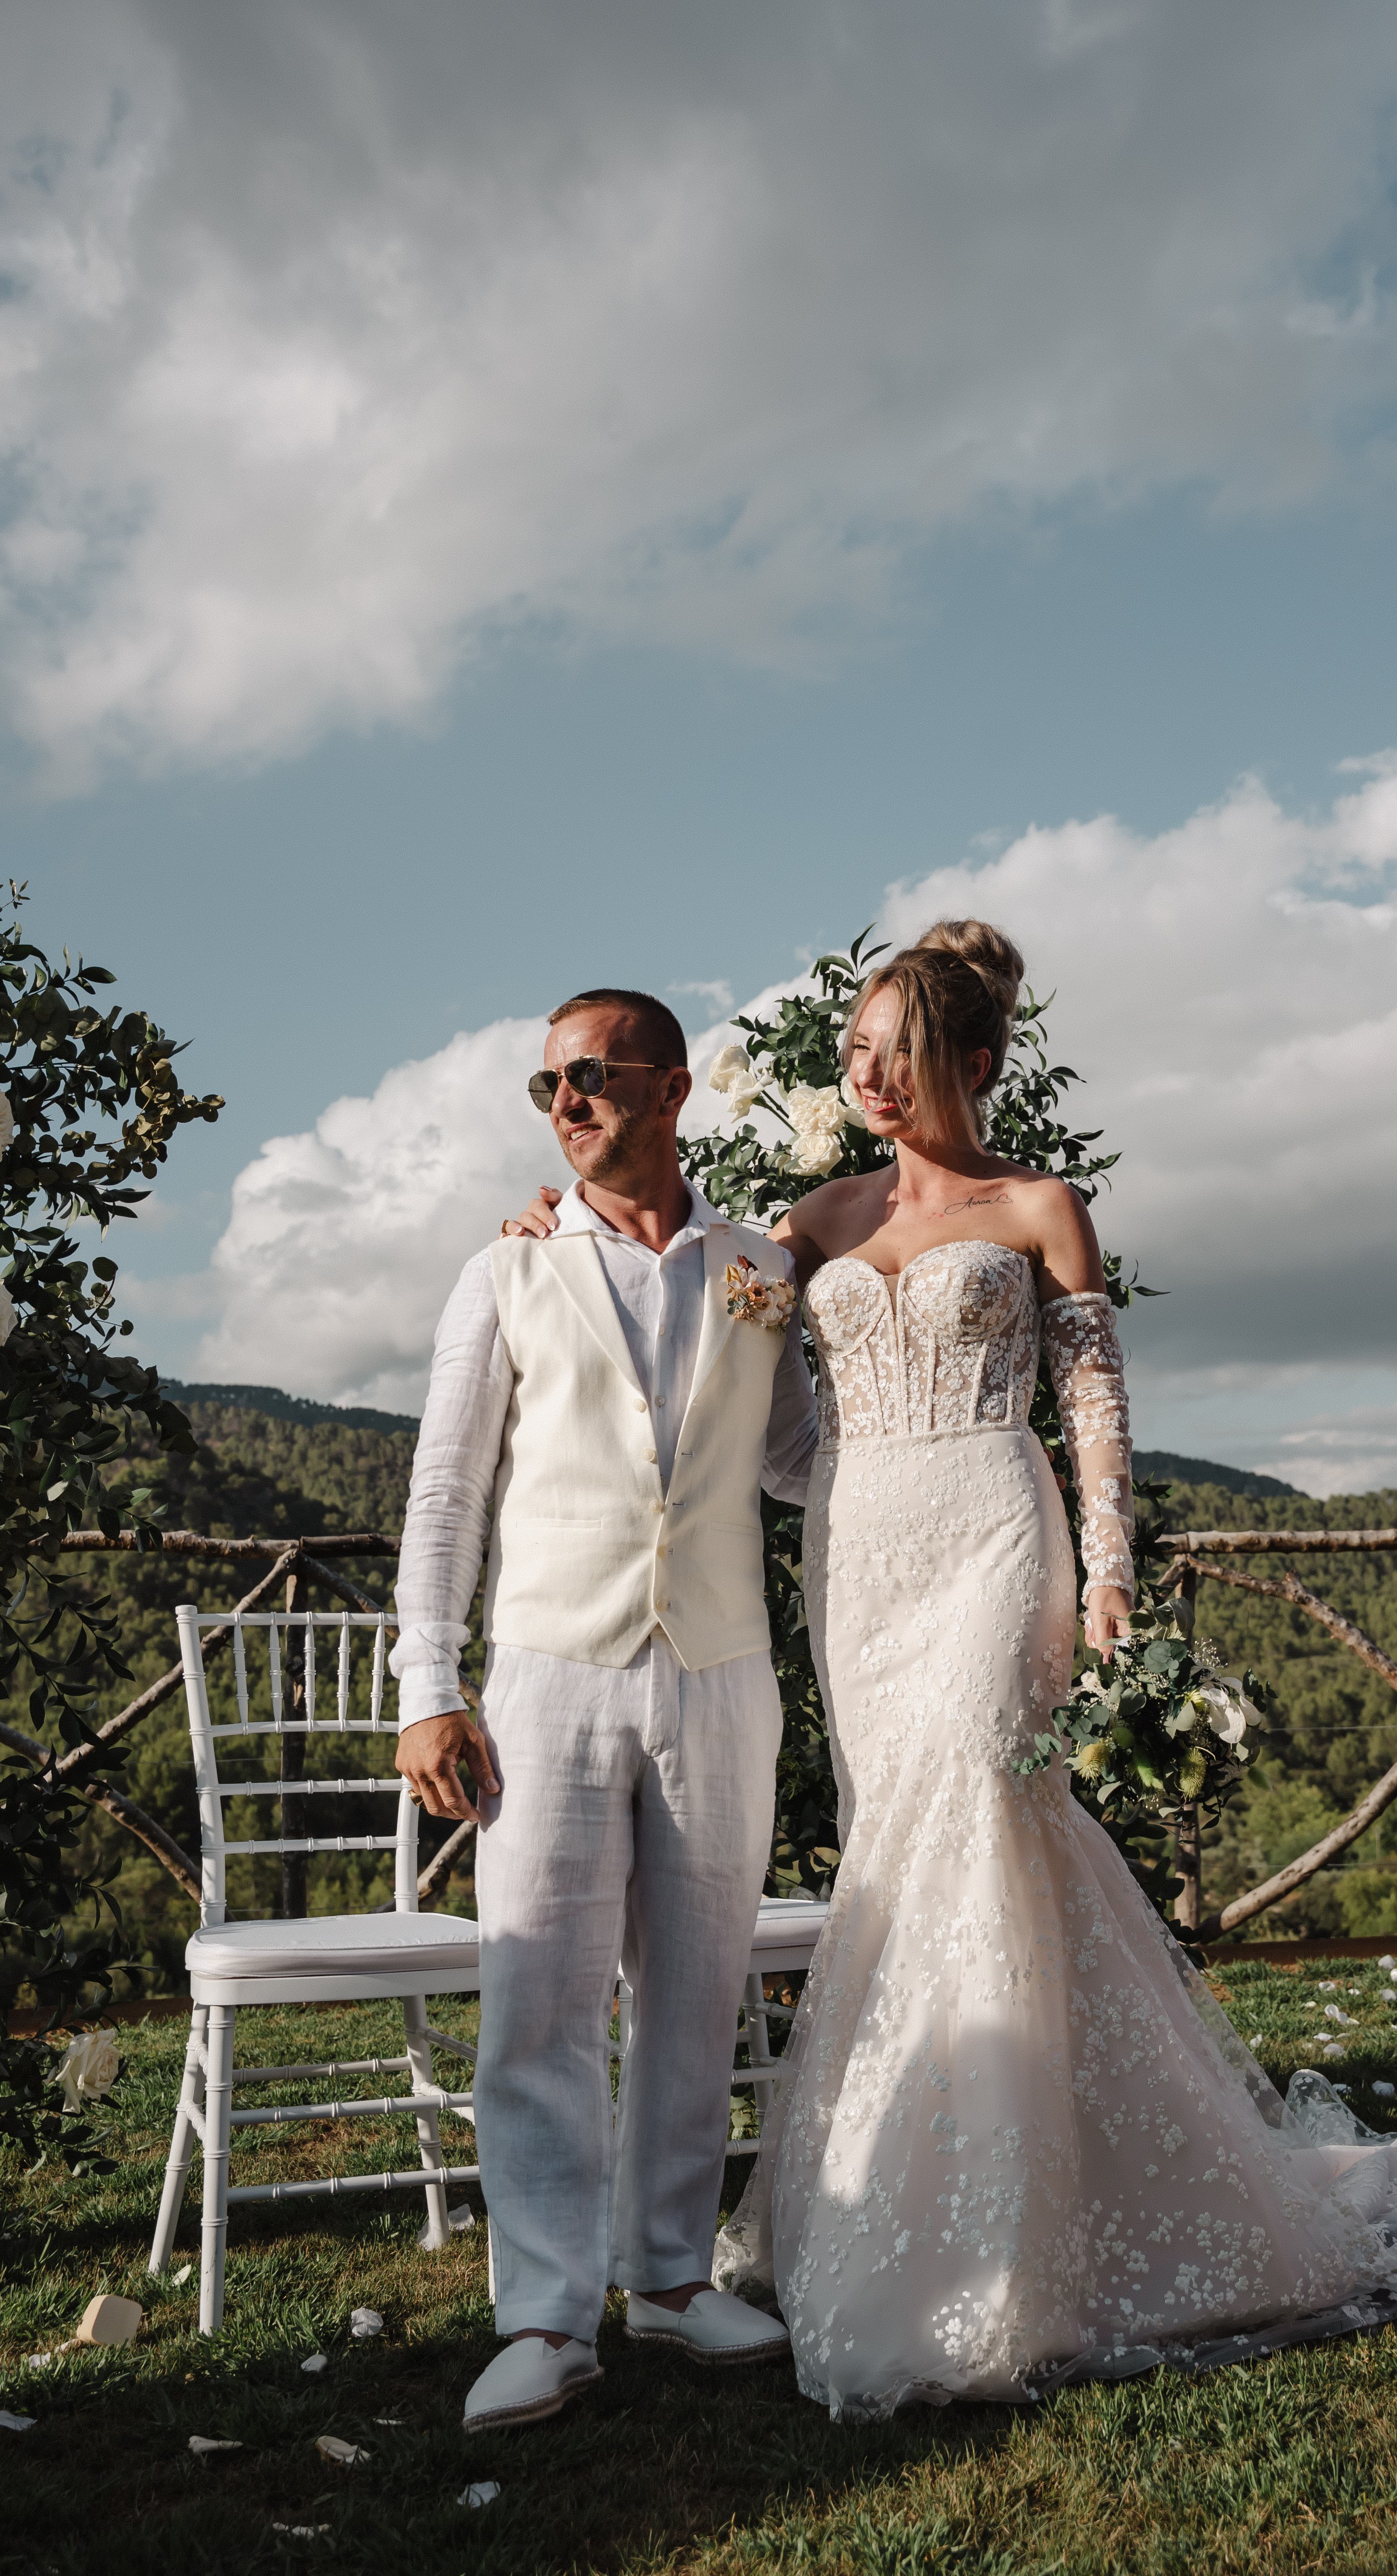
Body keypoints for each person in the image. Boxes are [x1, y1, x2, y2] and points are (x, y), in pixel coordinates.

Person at [512, 925, 1397, 2423]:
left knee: (973, 1803)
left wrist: (1111, 1565)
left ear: (976, 1061)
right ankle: (939, 2190)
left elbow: (1094, 1403)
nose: (869, 1075)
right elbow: (695, 1317)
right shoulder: (805, 1224)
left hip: (997, 1537)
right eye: (857, 1050)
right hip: (861, 1554)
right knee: (914, 1847)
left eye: (900, 1050)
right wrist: (549, 1227)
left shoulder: (1039, 1210)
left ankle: (993, 2248)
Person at [392, 987, 818, 2435]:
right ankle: (545, 2314)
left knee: (700, 1987)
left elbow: (807, 1461)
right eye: (547, 1084)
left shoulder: (761, 1268)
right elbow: (447, 1490)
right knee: (540, 1995)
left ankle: (672, 2280)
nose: (564, 1101)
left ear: (672, 1088)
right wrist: (426, 1687)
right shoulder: (502, 1271)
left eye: (590, 1075)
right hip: (550, 1672)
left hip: (721, 1669)